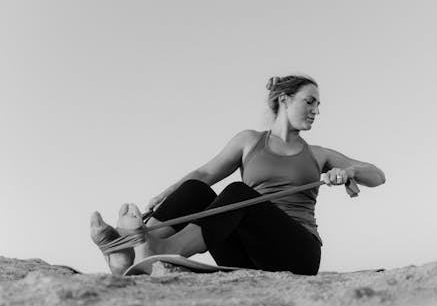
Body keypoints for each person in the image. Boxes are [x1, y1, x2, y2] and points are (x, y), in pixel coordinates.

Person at [90, 75, 386, 276]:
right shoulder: (249, 141)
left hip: (298, 253)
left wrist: (349, 171)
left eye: (319, 105)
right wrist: (165, 195)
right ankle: (128, 251)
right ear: (284, 99)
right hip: (246, 255)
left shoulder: (319, 154)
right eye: (310, 101)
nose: (316, 110)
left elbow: (377, 175)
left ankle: (163, 249)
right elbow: (205, 173)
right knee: (196, 189)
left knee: (237, 194)